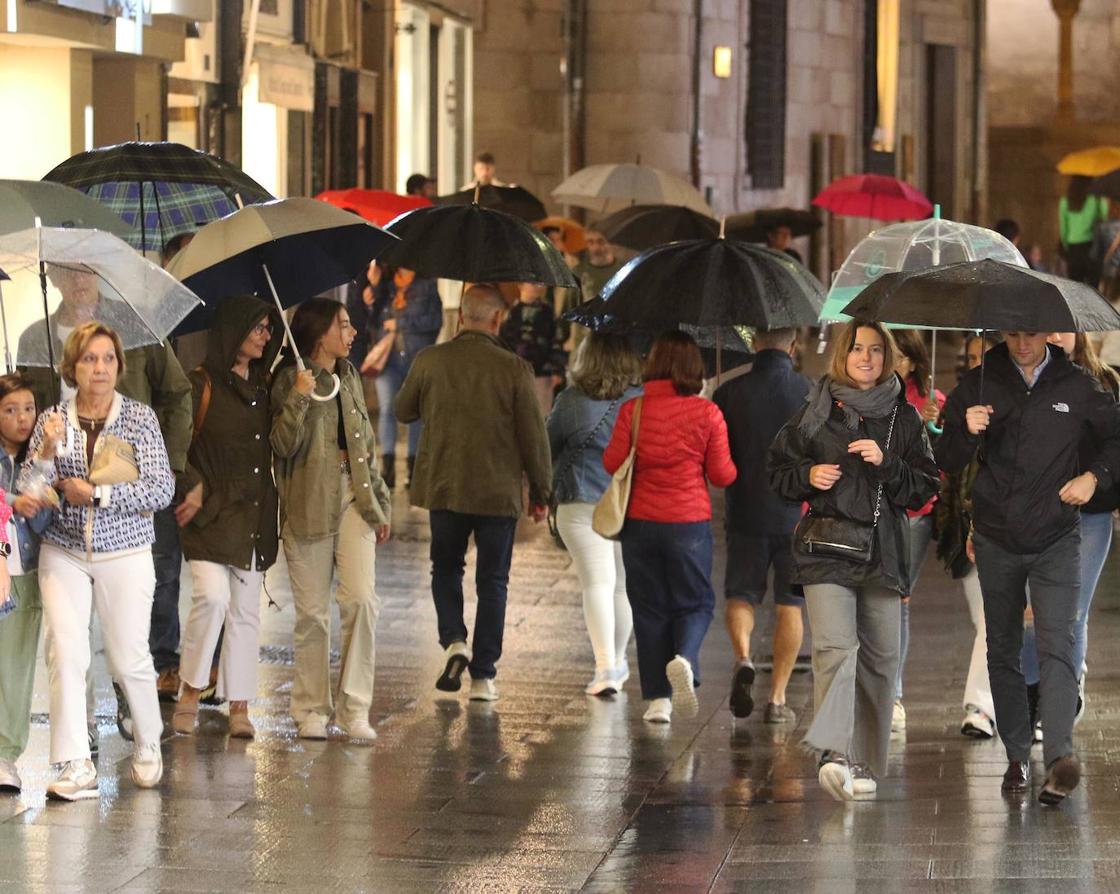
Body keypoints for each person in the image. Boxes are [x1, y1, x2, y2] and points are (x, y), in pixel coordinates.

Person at [936, 330, 1120, 805]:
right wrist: (964, 429)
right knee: (1004, 649)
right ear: (1002, 334)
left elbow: (1116, 439)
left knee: (1059, 642)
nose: (1022, 343)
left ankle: (1060, 757)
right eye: (1013, 334)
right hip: (997, 538)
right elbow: (946, 458)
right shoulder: (980, 384)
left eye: (1031, 334)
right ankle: (1017, 754)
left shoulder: (1077, 384)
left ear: (1049, 334)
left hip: (1057, 537)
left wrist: (1093, 477)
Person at [767, 320, 938, 801]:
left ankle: (863, 762)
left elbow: (926, 487)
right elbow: (776, 470)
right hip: (825, 550)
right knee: (835, 650)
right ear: (843, 354)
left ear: (888, 358)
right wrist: (808, 473)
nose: (867, 358)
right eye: (858, 349)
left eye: (877, 350)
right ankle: (834, 753)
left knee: (882, 658)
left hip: (882, 553)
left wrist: (888, 462)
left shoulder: (904, 419)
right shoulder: (816, 411)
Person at [21, 264, 194, 716]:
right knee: (69, 639)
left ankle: (132, 700)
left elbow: (177, 393)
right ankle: (83, 734)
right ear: (51, 278)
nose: (79, 279)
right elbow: (25, 413)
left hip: (129, 499)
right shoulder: (35, 336)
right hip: (62, 511)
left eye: (88, 270)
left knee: (134, 624)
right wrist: (39, 459)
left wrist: (168, 469)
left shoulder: (133, 324)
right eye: (67, 271)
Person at [26, 322, 174, 800]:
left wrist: (99, 493)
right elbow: (29, 491)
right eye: (90, 359)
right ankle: (76, 764)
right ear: (72, 366)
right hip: (63, 549)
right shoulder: (52, 419)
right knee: (66, 651)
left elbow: (160, 489)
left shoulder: (139, 418)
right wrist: (46, 452)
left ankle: (149, 743)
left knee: (128, 653)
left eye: (108, 358)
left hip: (125, 549)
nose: (100, 368)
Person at [395, 284, 551, 702]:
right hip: (497, 491)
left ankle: (454, 641)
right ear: (498, 319)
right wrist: (541, 490)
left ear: (460, 316)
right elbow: (533, 437)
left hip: (445, 485)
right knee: (493, 581)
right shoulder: (515, 368)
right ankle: (483, 677)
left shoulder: (430, 360)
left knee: (445, 568)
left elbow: (402, 410)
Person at [271, 299, 391, 742]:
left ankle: (355, 708)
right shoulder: (289, 378)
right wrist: (300, 395)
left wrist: (378, 501)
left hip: (353, 496)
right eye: (344, 325)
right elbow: (283, 446)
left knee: (362, 599)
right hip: (307, 502)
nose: (353, 332)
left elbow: (366, 443)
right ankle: (310, 709)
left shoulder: (350, 375)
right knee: (313, 616)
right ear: (320, 334)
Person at [604, 331, 736, 724]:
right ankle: (686, 658)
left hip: (640, 524)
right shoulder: (708, 413)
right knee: (696, 603)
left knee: (648, 607)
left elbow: (612, 462)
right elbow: (722, 475)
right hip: (688, 524)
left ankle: (658, 700)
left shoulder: (635, 410)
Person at [172, 296, 282, 739]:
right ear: (234, 330)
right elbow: (175, 445)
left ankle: (240, 705)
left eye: (269, 328)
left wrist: (295, 398)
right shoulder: (200, 384)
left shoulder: (268, 387)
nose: (266, 336)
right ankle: (190, 691)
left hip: (253, 514)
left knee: (245, 613)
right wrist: (193, 485)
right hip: (208, 515)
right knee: (212, 598)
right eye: (258, 327)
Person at [1017, 332, 1120, 744]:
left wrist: (1095, 480)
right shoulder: (1024, 381)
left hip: (1088, 516)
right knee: (1031, 614)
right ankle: (1033, 696)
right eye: (1047, 327)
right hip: (1032, 517)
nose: (1055, 335)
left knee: (1070, 613)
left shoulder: (1105, 383)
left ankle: (1059, 701)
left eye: (1063, 326)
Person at [711, 327, 809, 723]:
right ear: (793, 344)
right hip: (797, 515)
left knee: (742, 594)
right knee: (791, 604)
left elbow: (718, 457)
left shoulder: (728, 393)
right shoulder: (811, 391)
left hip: (746, 509)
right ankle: (778, 701)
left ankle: (744, 657)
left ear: (754, 343)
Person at [547, 333, 642, 696]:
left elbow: (547, 444)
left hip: (579, 502)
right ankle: (616, 663)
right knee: (620, 585)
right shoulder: (640, 401)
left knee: (596, 583)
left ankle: (605, 668)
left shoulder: (571, 401)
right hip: (625, 503)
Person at [935, 333, 1000, 739]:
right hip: (968, 525)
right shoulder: (962, 398)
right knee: (989, 620)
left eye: (983, 356)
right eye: (971, 356)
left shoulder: (1017, 397)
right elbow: (947, 462)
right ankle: (983, 705)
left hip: (1013, 527)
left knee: (997, 623)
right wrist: (948, 424)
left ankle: (982, 705)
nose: (976, 363)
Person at [889, 329, 945, 733]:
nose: (880, 359)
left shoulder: (929, 403)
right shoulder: (865, 397)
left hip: (911, 515)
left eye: (889, 353)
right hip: (872, 513)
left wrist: (934, 428)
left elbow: (942, 465)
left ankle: (893, 694)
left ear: (910, 360)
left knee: (897, 598)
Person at [0, 374, 48, 794]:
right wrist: (9, 501)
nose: (21, 418)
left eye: (29, 408)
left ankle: (6, 756)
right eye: (10, 409)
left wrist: (38, 502)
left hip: (26, 572)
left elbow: (50, 521)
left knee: (16, 668)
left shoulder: (43, 454)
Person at [363, 267, 443, 489]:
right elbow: (371, 321)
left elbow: (435, 321)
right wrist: (372, 295)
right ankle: (387, 468)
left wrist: (402, 325)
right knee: (388, 409)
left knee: (416, 412)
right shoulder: (385, 286)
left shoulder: (427, 285)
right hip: (387, 361)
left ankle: (413, 466)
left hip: (416, 360)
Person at [500, 282, 565, 416]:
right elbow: (503, 343)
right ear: (521, 285)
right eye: (532, 283)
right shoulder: (511, 313)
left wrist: (557, 369)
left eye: (539, 284)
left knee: (541, 416)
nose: (536, 287)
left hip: (542, 373)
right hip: (515, 373)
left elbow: (556, 340)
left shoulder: (547, 311)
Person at [1059, 176, 1108, 285]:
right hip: (1091, 247)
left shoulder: (1065, 201)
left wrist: (1067, 248)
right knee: (1092, 287)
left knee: (1075, 286)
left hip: (1073, 248)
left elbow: (1063, 230)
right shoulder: (1095, 199)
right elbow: (1104, 216)